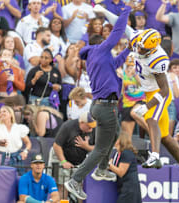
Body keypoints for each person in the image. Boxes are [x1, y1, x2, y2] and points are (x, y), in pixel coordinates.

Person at [95, 4, 179, 190]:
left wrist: (148, 104)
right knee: (165, 136)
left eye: (143, 50)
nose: (138, 51)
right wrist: (102, 11)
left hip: (158, 93)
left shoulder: (159, 59)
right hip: (148, 90)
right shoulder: (138, 38)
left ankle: (155, 157)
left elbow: (164, 91)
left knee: (151, 118)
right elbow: (120, 23)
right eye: (139, 47)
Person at [64, 6, 131, 200]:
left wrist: (128, 49)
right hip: (106, 107)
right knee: (102, 148)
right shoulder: (100, 49)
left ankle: (102, 169)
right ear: (100, 44)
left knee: (115, 135)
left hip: (100, 106)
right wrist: (126, 11)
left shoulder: (96, 58)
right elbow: (118, 32)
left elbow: (116, 63)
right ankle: (75, 179)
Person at [51, 112, 95, 199]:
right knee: (63, 187)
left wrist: (86, 146)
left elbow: (99, 148)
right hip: (62, 157)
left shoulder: (95, 129)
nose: (91, 129)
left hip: (80, 161)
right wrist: (63, 161)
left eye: (92, 126)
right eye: (89, 126)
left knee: (79, 187)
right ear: (81, 122)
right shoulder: (68, 126)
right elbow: (56, 145)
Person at [108, 132, 142, 203]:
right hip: (122, 187)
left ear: (120, 140)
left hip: (130, 188)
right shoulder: (116, 153)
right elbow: (110, 165)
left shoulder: (127, 153)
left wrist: (108, 164)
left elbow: (121, 172)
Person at [0, 106, 31, 171]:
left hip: (15, 158)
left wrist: (25, 152)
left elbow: (28, 143)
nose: (2, 113)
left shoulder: (19, 128)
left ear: (11, 114)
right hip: (0, 157)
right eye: (0, 112)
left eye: (4, 111)